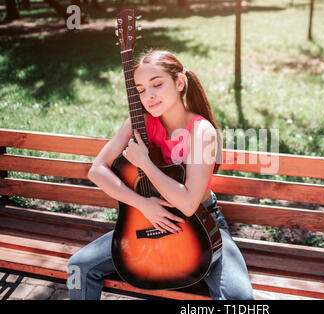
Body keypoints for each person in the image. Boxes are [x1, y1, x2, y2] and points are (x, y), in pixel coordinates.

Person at [66, 49, 254, 300]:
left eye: (157, 84)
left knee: (238, 299)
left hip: (200, 223)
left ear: (179, 83)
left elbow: (188, 204)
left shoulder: (202, 132)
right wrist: (144, 205)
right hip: (147, 219)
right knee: (79, 266)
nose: (149, 95)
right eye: (141, 89)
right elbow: (97, 170)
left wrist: (145, 163)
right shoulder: (139, 122)